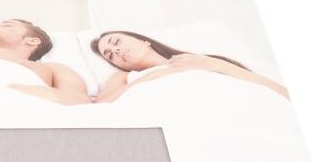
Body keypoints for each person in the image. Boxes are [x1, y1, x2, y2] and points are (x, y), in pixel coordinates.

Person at [90, 30, 288, 101]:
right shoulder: (126, 78)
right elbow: (101, 105)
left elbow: (276, 90)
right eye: (110, 55)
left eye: (116, 42)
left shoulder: (203, 61)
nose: (116, 51)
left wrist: (212, 64)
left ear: (143, 41)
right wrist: (152, 76)